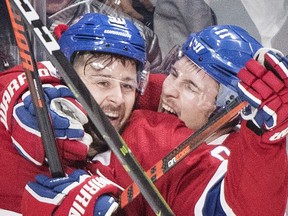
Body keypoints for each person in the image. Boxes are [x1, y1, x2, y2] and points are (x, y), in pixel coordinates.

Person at [21, 24, 287, 215]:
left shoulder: (234, 164)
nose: (169, 90)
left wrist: (263, 147)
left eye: (191, 87)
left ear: (228, 109)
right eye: (173, 73)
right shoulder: (151, 106)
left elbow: (236, 208)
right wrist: (24, 93)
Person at [0, 12, 148, 215]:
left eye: (128, 86)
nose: (118, 99)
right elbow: (17, 79)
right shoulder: (24, 122)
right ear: (63, 78)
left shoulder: (142, 134)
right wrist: (23, 92)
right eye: (102, 82)